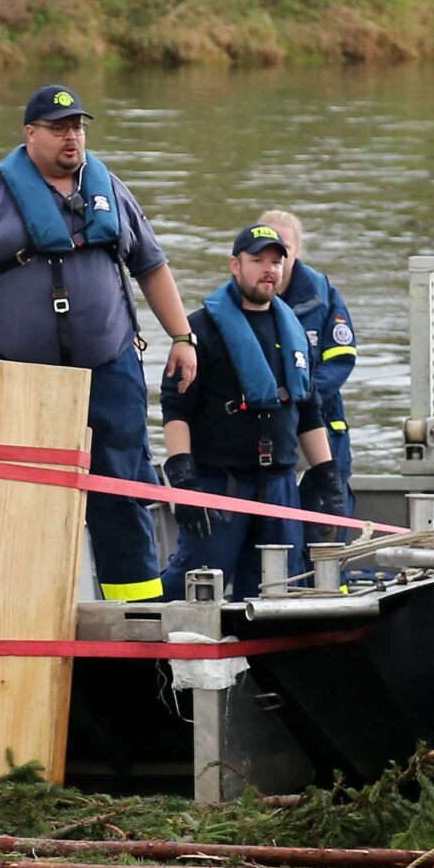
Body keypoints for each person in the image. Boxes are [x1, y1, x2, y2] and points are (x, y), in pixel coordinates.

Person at [0, 83, 197, 601]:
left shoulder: (110, 188)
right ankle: (18, 609)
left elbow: (152, 266)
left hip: (109, 368)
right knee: (17, 495)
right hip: (18, 374)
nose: (71, 138)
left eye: (77, 127)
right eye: (58, 129)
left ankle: (134, 610)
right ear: (31, 134)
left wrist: (182, 337)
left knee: (122, 490)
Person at [158, 224, 341, 600]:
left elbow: (308, 409)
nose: (268, 269)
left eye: (276, 261)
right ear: (235, 266)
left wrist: (326, 477)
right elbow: (176, 406)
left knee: (275, 595)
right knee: (192, 592)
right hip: (219, 488)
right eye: (257, 260)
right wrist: (184, 480)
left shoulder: (293, 330)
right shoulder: (199, 329)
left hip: (279, 488)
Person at [258, 207, 359, 541]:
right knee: (274, 519)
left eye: (284, 246)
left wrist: (304, 395)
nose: (277, 257)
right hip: (266, 423)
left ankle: (332, 585)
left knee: (328, 514)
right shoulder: (243, 297)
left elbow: (341, 357)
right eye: (267, 249)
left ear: (297, 251)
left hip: (322, 419)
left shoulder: (322, 295)